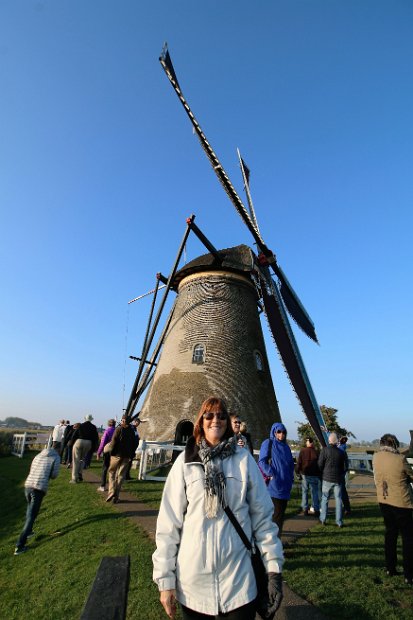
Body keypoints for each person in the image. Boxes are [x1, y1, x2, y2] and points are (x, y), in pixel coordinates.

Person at [153, 397, 284, 620]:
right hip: (193, 583)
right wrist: (165, 581)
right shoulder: (185, 463)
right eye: (209, 415)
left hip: (238, 582)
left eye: (222, 416)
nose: (216, 420)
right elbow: (168, 524)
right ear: (200, 421)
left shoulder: (243, 460)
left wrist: (273, 570)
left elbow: (262, 519)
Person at [373, 433, 413, 585]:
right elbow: (409, 473)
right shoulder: (400, 459)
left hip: (384, 501)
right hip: (401, 503)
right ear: (395, 444)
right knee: (408, 538)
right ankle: (409, 574)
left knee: (390, 534)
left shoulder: (376, 457)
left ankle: (390, 567)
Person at [14, 446, 61, 555]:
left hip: (28, 486)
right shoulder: (56, 457)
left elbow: (31, 469)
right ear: (58, 449)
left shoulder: (38, 455)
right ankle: (19, 546)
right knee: (31, 516)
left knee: (29, 509)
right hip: (38, 488)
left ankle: (29, 531)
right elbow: (54, 475)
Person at [258, 422, 295, 536]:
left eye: (284, 432)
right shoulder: (268, 443)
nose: (281, 434)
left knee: (280, 515)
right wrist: (271, 473)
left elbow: (290, 465)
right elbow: (262, 461)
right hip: (273, 486)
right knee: (276, 517)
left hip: (285, 485)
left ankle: (272, 542)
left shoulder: (286, 447)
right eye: (279, 431)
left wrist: (291, 478)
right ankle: (275, 544)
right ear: (274, 432)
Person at [106, 416, 139, 503]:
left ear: (126, 421)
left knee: (112, 472)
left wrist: (111, 452)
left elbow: (113, 441)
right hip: (126, 456)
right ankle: (116, 497)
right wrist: (132, 453)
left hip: (117, 455)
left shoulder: (118, 429)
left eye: (123, 420)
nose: (121, 421)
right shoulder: (132, 431)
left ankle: (111, 492)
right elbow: (136, 443)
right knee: (121, 476)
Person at [318, 432, 346, 527]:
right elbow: (344, 467)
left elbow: (320, 464)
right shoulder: (341, 452)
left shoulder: (324, 450)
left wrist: (322, 472)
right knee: (338, 500)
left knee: (325, 499)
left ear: (329, 440)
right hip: (338, 479)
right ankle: (339, 522)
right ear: (337, 441)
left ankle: (323, 519)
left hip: (326, 478)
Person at [70, 414, 99, 484]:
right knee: (82, 459)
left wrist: (71, 443)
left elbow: (74, 435)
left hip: (79, 441)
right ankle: (80, 473)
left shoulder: (81, 425)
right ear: (91, 419)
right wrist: (94, 447)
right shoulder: (93, 427)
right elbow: (96, 438)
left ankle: (74, 478)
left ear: (85, 418)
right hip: (88, 443)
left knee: (76, 460)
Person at [296, 437, 320, 517]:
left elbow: (299, 463)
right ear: (312, 443)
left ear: (308, 442)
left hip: (305, 474)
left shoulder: (303, 451)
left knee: (305, 492)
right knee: (315, 493)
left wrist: (297, 472)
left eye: (306, 441)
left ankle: (305, 509)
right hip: (314, 474)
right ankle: (316, 510)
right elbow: (320, 465)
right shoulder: (317, 452)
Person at [96, 418, 116, 491]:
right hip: (115, 451)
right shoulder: (117, 430)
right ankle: (113, 487)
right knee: (113, 469)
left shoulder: (107, 431)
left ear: (108, 424)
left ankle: (103, 486)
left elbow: (102, 443)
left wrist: (98, 453)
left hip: (108, 451)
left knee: (105, 468)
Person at [338, 436, 351, 515]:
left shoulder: (340, 449)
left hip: (338, 473)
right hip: (341, 473)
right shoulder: (343, 449)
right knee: (343, 492)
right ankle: (347, 508)